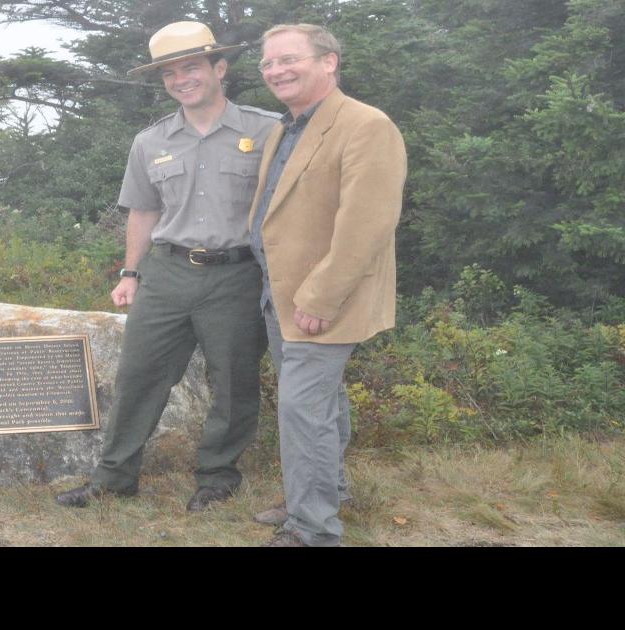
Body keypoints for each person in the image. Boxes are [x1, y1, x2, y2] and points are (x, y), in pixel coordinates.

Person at [55, 21, 279, 512]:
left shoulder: (266, 130)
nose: (181, 79)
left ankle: (218, 476)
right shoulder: (149, 142)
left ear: (219, 68)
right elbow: (143, 211)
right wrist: (131, 273)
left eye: (191, 67)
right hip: (167, 274)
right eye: (170, 73)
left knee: (234, 381)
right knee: (139, 375)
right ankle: (115, 478)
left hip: (239, 275)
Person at [247, 24, 407, 546]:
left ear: (329, 62)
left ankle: (312, 529)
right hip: (279, 292)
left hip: (322, 301)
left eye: (289, 59)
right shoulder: (286, 127)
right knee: (322, 403)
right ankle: (326, 492)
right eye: (269, 64)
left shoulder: (366, 125)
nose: (276, 71)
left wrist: (319, 298)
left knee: (303, 410)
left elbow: (367, 225)